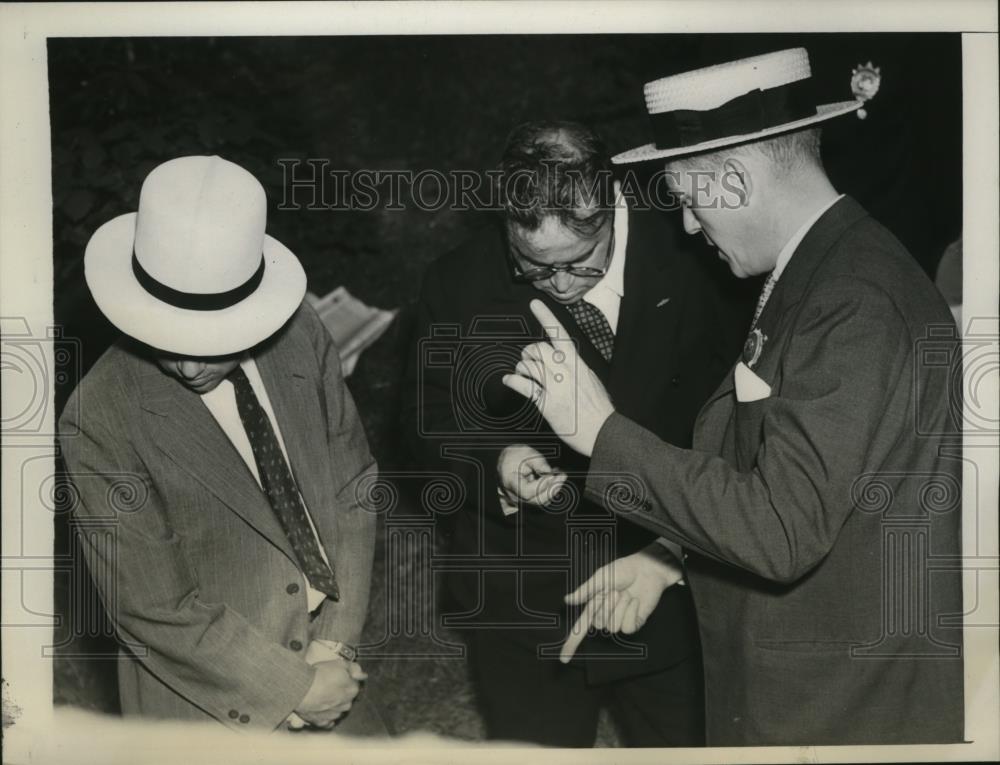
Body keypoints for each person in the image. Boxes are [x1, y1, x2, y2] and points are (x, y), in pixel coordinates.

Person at [503, 48, 964, 745]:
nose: (689, 226)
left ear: (736, 179)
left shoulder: (853, 301)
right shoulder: (826, 269)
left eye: (690, 201)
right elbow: (800, 482)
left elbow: (782, 529)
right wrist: (671, 554)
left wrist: (601, 432)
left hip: (838, 706)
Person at [402, 121, 747, 746]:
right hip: (525, 593)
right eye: (533, 267)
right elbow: (428, 419)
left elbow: (748, 421)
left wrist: (675, 548)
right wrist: (496, 462)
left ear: (612, 206)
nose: (560, 285)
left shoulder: (702, 252)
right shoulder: (457, 282)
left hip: (670, 575)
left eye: (580, 262)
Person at [58, 156, 385, 734]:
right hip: (209, 704)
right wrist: (293, 687)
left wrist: (334, 643)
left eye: (213, 340)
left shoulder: (301, 333)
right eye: (167, 337)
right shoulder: (99, 416)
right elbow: (151, 606)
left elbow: (351, 484)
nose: (188, 367)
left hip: (329, 665)